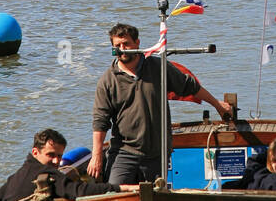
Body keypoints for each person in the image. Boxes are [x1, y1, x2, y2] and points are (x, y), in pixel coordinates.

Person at [89, 22, 232, 187]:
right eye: (117, 45)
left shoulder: (158, 67)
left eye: (126, 44)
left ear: (137, 43)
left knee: (156, 197)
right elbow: (100, 121)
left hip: (157, 153)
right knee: (114, 193)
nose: (122, 49)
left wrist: (217, 105)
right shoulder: (107, 81)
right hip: (123, 153)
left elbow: (189, 86)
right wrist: (96, 155)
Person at [0, 128, 110, 201]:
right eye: (50, 155)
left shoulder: (15, 177)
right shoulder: (48, 174)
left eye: (59, 156)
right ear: (35, 152)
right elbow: (79, 191)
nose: (56, 161)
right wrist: (118, 188)